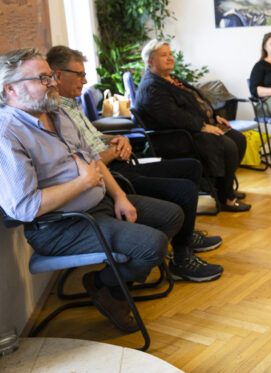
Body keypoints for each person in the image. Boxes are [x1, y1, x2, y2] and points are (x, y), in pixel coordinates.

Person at [0, 48, 183, 333]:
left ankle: (114, 286)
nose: (52, 84)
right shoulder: (7, 134)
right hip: (60, 227)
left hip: (99, 204)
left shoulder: (57, 111)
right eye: (42, 79)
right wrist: (83, 183)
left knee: (172, 216)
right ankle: (102, 285)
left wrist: (120, 196)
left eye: (50, 77)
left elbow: (93, 158)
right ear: (10, 89)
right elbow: (24, 208)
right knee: (152, 245)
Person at [46, 46, 223, 282]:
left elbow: (92, 139)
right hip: (113, 176)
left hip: (116, 165)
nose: (85, 80)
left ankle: (186, 238)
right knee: (185, 189)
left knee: (192, 166)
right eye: (79, 74)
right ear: (58, 75)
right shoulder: (56, 113)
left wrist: (117, 139)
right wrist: (115, 151)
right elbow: (87, 162)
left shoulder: (71, 105)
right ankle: (182, 257)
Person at [136, 40, 250, 212]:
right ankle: (226, 198)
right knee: (228, 146)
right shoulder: (152, 87)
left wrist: (215, 117)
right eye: (163, 55)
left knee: (238, 138)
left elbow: (196, 101)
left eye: (170, 54)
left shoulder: (171, 79)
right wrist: (202, 126)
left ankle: (222, 188)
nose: (170, 58)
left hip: (191, 129)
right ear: (150, 62)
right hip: (175, 137)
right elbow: (173, 117)